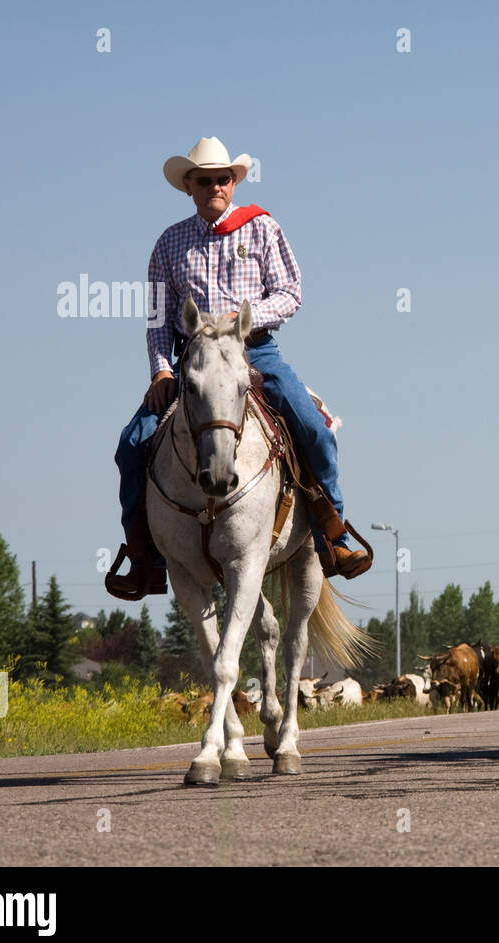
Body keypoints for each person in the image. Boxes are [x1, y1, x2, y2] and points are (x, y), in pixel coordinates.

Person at [105, 137, 370, 600]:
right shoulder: (169, 243)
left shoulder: (263, 228)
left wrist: (242, 317)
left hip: (256, 352)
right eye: (204, 180)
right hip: (193, 363)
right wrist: (161, 371)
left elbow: (290, 293)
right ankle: (144, 555)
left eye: (222, 179)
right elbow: (156, 320)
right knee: (132, 443)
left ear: (234, 182)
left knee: (312, 426)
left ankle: (333, 533)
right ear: (188, 185)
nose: (214, 187)